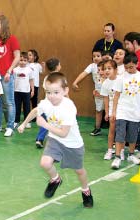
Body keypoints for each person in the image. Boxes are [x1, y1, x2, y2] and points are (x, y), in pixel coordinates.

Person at [35, 72, 93, 207]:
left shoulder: (69, 107)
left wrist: (45, 124)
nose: (52, 96)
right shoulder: (46, 102)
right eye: (48, 92)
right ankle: (55, 180)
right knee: (45, 163)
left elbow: (64, 133)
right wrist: (26, 123)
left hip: (72, 144)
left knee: (79, 171)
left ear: (65, 91)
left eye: (56, 92)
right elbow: (37, 110)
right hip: (55, 140)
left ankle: (86, 191)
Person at [111, 53, 140, 169]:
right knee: (120, 134)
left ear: (137, 64)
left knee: (133, 135)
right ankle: (118, 157)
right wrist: (114, 112)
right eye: (126, 67)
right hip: (122, 111)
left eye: (131, 67)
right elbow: (116, 95)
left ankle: (131, 155)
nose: (129, 69)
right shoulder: (121, 78)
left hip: (135, 112)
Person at [17, 58, 61, 149]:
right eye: (59, 64)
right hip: (55, 105)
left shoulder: (46, 78)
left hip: (48, 103)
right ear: (57, 67)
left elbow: (35, 111)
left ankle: (39, 138)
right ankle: (50, 140)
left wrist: (24, 124)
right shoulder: (60, 78)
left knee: (44, 119)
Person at [0, 14, 20, 137]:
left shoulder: (12, 39)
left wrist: (9, 71)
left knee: (9, 102)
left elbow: (17, 57)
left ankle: (10, 126)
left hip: (7, 75)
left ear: (4, 25)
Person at [124, 32, 140, 155]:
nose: (127, 46)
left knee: (138, 119)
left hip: (138, 94)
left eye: (128, 44)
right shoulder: (135, 54)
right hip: (132, 93)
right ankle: (134, 143)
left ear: (134, 42)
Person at [72, 49, 102, 135]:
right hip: (98, 92)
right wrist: (75, 82)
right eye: (94, 56)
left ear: (102, 57)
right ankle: (97, 128)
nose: (96, 58)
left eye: (98, 56)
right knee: (98, 110)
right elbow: (83, 73)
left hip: (108, 92)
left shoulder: (106, 65)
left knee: (110, 112)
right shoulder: (92, 66)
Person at [100, 60, 125, 160]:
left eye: (109, 68)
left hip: (122, 108)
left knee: (121, 131)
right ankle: (110, 150)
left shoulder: (121, 80)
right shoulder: (105, 83)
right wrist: (107, 112)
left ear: (115, 70)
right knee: (112, 129)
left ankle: (121, 151)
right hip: (111, 109)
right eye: (105, 69)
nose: (106, 71)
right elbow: (105, 98)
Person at [14, 52, 34, 128]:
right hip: (16, 91)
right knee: (17, 107)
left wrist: (32, 90)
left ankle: (27, 121)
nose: (22, 62)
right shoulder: (15, 70)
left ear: (27, 61)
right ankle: (16, 121)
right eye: (21, 60)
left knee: (27, 107)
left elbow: (31, 80)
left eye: (25, 60)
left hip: (26, 92)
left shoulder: (29, 70)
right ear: (18, 60)